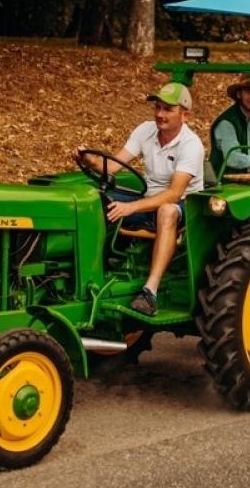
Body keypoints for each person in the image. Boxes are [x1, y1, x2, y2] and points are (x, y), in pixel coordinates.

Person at [72, 81, 204, 316]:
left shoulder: (191, 145)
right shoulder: (145, 130)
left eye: (167, 109)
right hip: (149, 199)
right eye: (158, 108)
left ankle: (149, 292)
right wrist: (89, 160)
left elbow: (174, 194)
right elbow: (112, 165)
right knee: (95, 199)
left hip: (185, 206)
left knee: (167, 211)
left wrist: (130, 207)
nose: (160, 115)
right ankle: (92, 272)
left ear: (185, 115)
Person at [209, 77, 250, 182]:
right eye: (249, 91)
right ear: (239, 94)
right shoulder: (227, 122)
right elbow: (232, 159)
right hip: (225, 183)